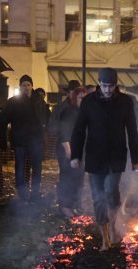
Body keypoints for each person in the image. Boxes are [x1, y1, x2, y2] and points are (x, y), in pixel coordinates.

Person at [70, 67, 138, 251]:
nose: (107, 89)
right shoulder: (88, 102)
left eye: (110, 86)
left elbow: (132, 131)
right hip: (95, 156)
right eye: (104, 85)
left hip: (116, 155)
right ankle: (105, 237)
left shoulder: (125, 102)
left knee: (110, 191)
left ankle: (113, 228)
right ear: (98, 83)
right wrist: (75, 155)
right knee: (97, 197)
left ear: (115, 85)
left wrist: (136, 158)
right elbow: (79, 129)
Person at [0, 75, 49, 202]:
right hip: (20, 140)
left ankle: (35, 193)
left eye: (28, 85)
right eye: (24, 85)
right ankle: (22, 193)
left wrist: (45, 132)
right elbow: (3, 120)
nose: (26, 87)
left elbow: (47, 117)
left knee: (37, 168)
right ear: (20, 87)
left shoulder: (39, 100)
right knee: (20, 167)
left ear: (32, 86)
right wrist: (3, 139)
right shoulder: (13, 102)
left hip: (35, 141)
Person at [56, 86, 86, 217]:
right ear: (75, 98)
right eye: (81, 98)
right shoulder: (69, 112)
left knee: (78, 179)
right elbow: (63, 133)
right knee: (67, 178)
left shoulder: (84, 113)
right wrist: (69, 151)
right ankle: (64, 206)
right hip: (68, 150)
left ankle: (73, 205)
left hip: (80, 151)